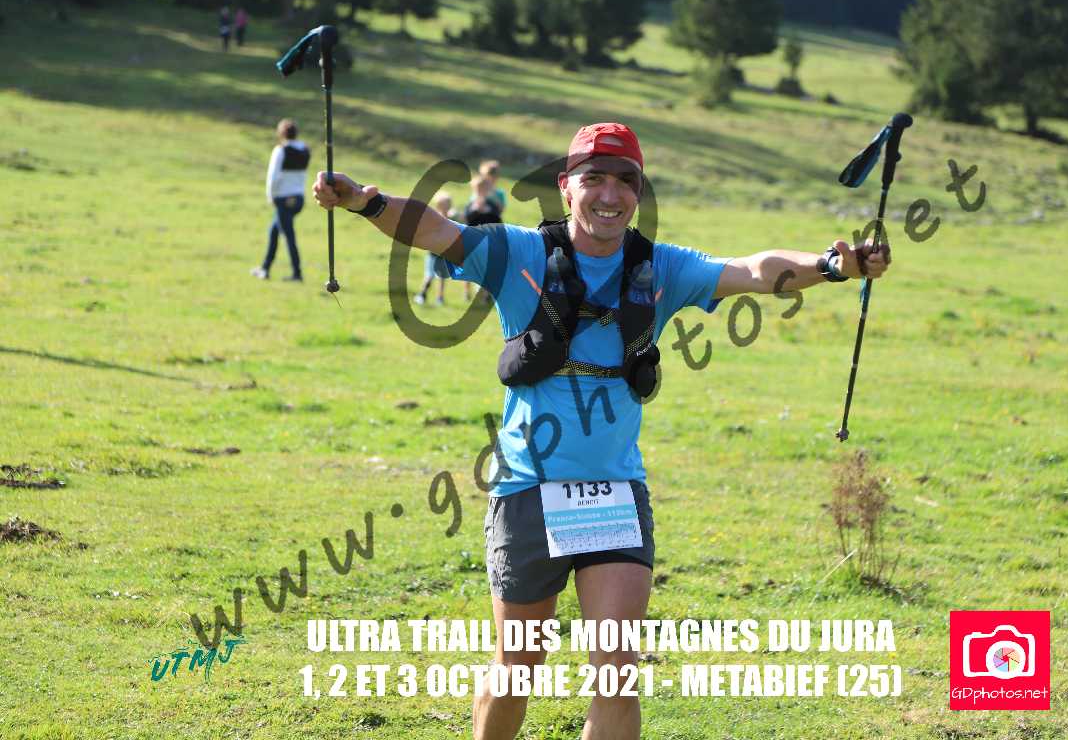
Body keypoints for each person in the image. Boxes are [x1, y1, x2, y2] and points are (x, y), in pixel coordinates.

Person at [312, 122, 892, 740]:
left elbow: (751, 270)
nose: (610, 195)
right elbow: (436, 231)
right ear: (567, 187)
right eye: (594, 179)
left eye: (626, 181)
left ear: (639, 192)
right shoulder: (520, 254)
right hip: (527, 490)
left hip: (614, 493)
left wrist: (830, 265)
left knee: (617, 674)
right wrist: (366, 202)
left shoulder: (661, 267)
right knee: (517, 670)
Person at [252, 119, 310, 282]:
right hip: (299, 198)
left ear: (281, 134)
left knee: (289, 236)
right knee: (274, 232)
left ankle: (297, 273)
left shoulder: (281, 150)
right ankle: (265, 268)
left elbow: (273, 176)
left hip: (283, 199)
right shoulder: (305, 150)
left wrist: (270, 196)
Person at [462, 174, 504, 302]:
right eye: (477, 190)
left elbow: (498, 221)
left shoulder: (491, 205)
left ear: (487, 190)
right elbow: (466, 220)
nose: (480, 192)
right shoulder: (471, 205)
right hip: (473, 241)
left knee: (486, 267)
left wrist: (488, 211)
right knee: (469, 266)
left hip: (488, 241)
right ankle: (466, 292)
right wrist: (475, 211)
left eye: (483, 189)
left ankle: (485, 294)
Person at [415, 190, 456, 305]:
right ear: (438, 206)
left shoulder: (452, 219)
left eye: (447, 206)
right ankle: (422, 294)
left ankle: (440, 298)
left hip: (446, 253)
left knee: (442, 277)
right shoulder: (433, 218)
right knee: (429, 275)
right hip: (433, 253)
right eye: (443, 206)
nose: (445, 209)